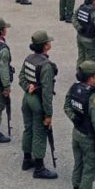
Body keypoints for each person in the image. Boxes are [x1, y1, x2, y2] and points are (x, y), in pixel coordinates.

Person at [64, 60, 95, 189]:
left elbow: (66, 105)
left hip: (77, 133)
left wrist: (74, 118)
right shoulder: (93, 96)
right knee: (90, 167)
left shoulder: (75, 87)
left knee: (79, 163)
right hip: (89, 137)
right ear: (91, 78)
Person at [19, 30, 58, 179]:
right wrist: (48, 114)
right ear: (45, 46)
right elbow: (47, 93)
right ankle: (40, 167)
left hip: (26, 98)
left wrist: (26, 86)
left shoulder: (29, 58)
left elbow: (21, 76)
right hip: (37, 101)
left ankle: (27, 159)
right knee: (40, 132)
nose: (50, 43)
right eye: (48, 42)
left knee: (28, 129)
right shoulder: (46, 65)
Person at [73, 0, 95, 69]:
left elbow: (74, 18)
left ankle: (79, 75)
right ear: (94, 1)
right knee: (90, 62)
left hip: (80, 37)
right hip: (90, 40)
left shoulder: (81, 7)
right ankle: (87, 77)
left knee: (81, 57)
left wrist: (78, 28)